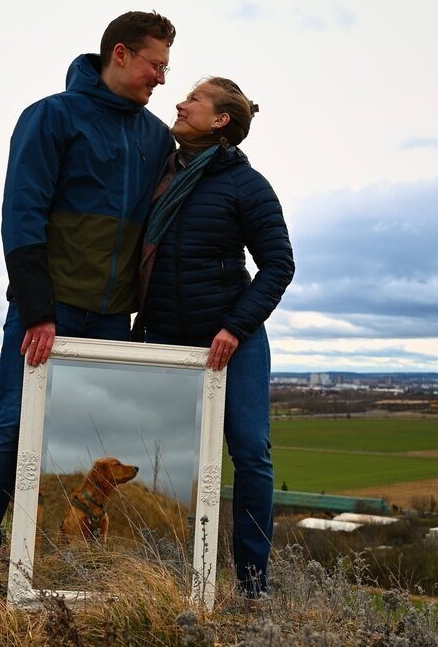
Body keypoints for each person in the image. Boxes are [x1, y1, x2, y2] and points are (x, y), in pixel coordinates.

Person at [0, 11, 177, 591]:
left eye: (166, 70)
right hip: (49, 311)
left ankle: (69, 566)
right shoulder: (50, 116)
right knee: (12, 428)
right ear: (120, 54)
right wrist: (38, 311)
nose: (161, 79)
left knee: (92, 439)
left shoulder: (157, 137)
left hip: (111, 319)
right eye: (156, 65)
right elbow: (21, 215)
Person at [136, 77, 295, 597]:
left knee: (250, 452)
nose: (180, 103)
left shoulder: (247, 185)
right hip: (163, 337)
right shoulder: (155, 173)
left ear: (221, 119)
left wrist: (234, 327)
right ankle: (159, 574)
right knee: (160, 457)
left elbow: (278, 266)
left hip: (233, 340)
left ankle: (253, 587)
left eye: (194, 99)